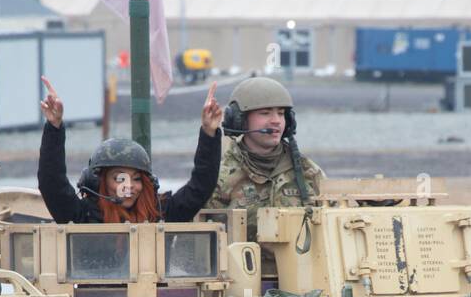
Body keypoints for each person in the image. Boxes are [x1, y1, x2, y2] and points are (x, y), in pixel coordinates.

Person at [37, 76, 223, 224]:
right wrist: (54, 127)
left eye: (136, 179)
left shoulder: (159, 214)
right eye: (119, 178)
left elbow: (201, 186)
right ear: (98, 182)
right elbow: (52, 183)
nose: (129, 186)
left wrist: (209, 132)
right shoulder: (83, 216)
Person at [204, 76, 325, 241]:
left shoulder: (308, 172)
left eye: (281, 114)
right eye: (265, 113)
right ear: (240, 120)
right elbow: (200, 246)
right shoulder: (220, 179)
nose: (276, 121)